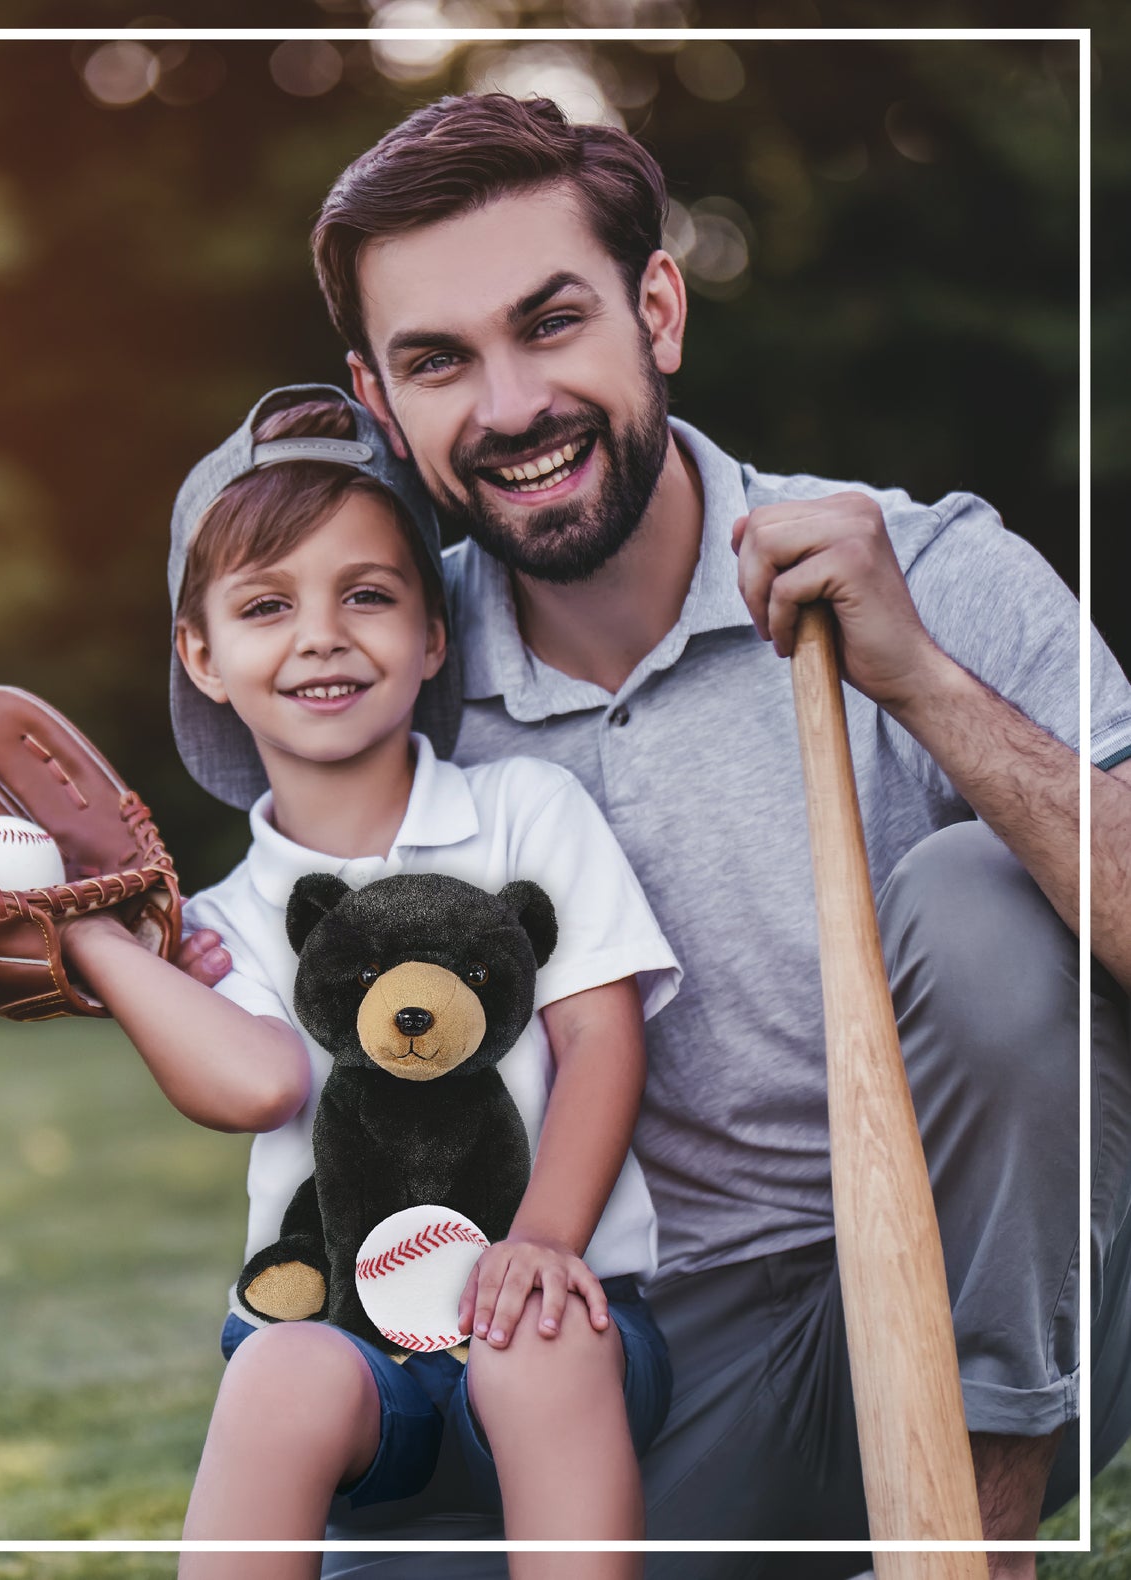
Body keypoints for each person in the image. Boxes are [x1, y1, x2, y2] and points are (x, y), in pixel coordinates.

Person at [184, 94, 1131, 1578]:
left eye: (550, 322)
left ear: (658, 307)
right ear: (379, 398)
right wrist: (73, 939)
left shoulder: (928, 565)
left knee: (980, 901)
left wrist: (925, 684)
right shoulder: (385, 663)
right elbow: (248, 917)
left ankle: (966, 1551)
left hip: (995, 1296)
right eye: (439, 361)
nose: (507, 407)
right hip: (639, 1352)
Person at [63, 384, 683, 1579]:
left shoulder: (522, 813)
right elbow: (254, 1084)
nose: (320, 635)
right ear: (200, 652)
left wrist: (542, 1238)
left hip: (565, 1329)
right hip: (357, 1363)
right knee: (278, 1368)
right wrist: (94, 939)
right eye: (262, 604)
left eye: (366, 594)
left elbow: (603, 1040)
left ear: (433, 631)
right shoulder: (221, 920)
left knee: (536, 1337)